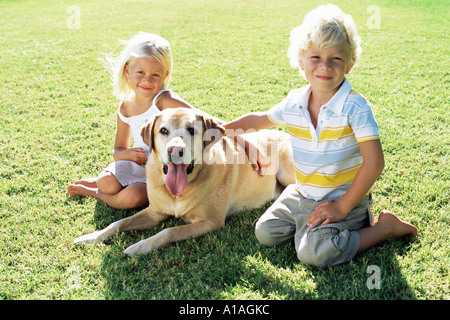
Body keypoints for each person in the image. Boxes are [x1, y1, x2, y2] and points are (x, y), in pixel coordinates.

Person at [224, 5, 417, 267]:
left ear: (349, 64)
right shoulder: (294, 102)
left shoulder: (355, 107)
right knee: (265, 233)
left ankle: (384, 228)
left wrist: (342, 207)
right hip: (303, 194)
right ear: (301, 60)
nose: (324, 66)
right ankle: (312, 223)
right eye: (315, 57)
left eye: (335, 58)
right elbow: (259, 120)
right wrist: (218, 131)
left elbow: (375, 162)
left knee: (313, 254)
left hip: (344, 199)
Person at [67, 33, 262, 209]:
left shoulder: (163, 100)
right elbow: (117, 151)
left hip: (160, 171)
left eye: (155, 75)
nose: (147, 81)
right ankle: (99, 185)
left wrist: (246, 143)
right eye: (140, 73)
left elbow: (214, 125)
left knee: (131, 199)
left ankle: (95, 193)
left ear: (165, 76)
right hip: (135, 164)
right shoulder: (125, 107)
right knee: (106, 183)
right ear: (127, 71)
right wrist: (129, 155)